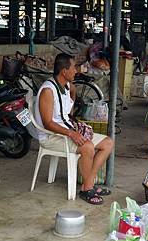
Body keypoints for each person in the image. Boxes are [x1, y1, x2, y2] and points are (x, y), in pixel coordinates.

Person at [35, 53, 114, 205]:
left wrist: (72, 90)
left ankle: (87, 183)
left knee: (108, 143)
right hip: (51, 136)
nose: (76, 71)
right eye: (73, 68)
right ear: (64, 71)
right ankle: (87, 189)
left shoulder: (65, 85)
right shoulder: (48, 91)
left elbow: (67, 108)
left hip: (65, 129)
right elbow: (47, 123)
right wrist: (72, 133)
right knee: (87, 147)